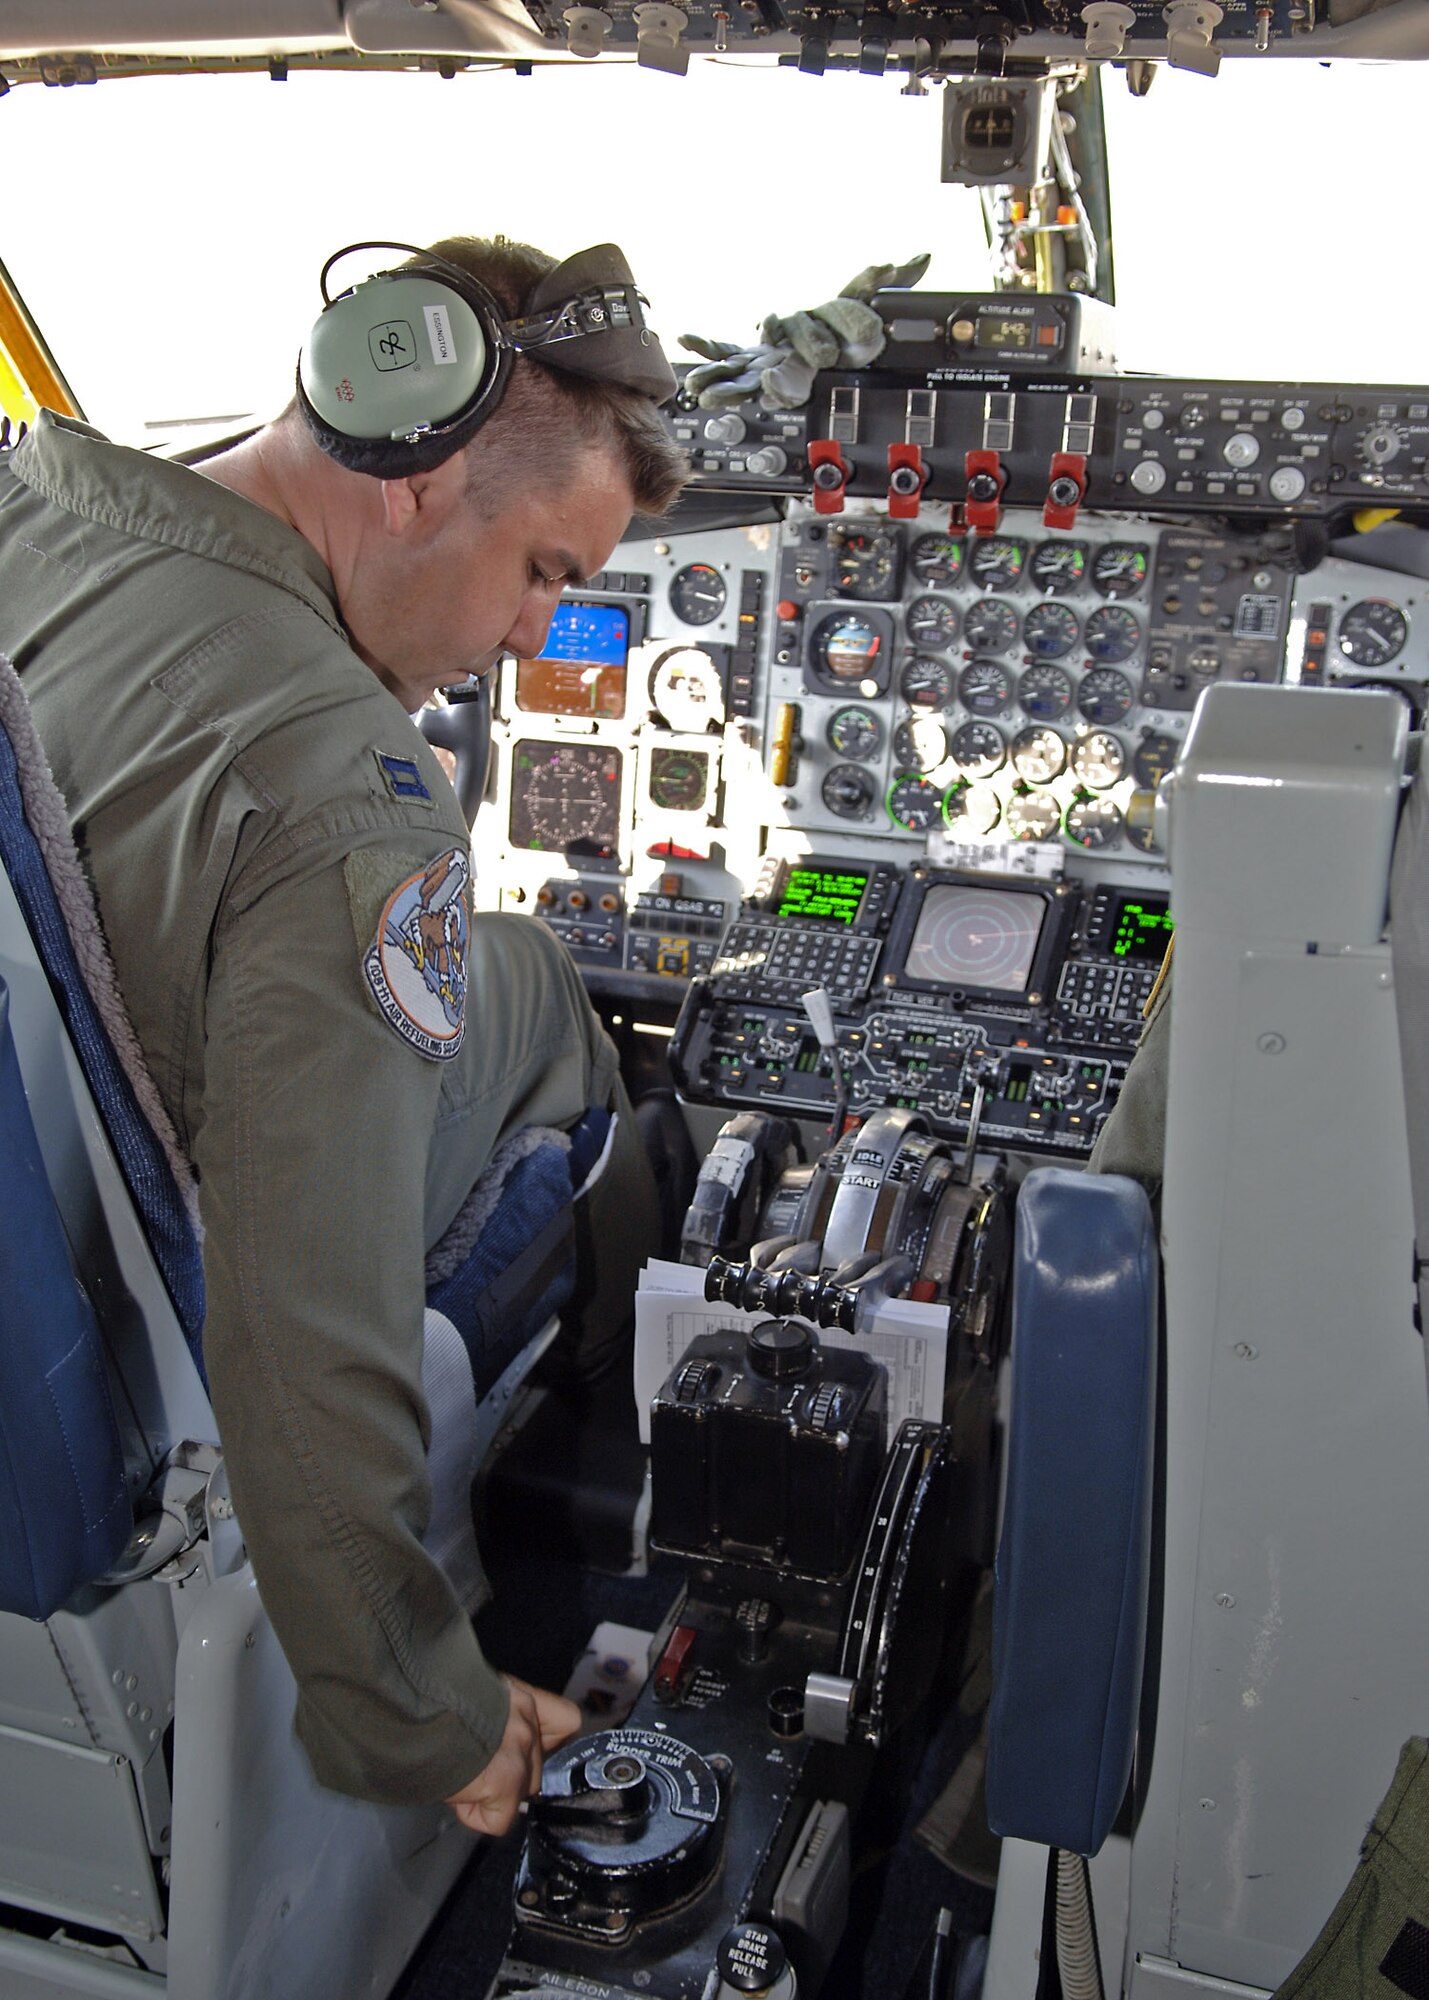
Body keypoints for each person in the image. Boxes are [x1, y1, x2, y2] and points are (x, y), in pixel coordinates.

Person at [0, 233, 688, 1833]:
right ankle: (599, 1431)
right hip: (152, 1254)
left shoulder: (37, 495)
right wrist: (418, 1707)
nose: (535, 637)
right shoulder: (347, 803)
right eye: (547, 573)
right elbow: (302, 1309)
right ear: (412, 481)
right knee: (533, 987)